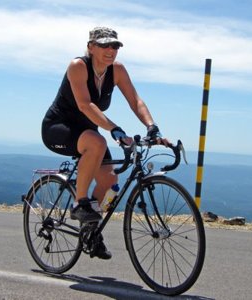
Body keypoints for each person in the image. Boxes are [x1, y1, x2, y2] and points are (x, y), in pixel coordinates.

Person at [42, 27, 165, 259]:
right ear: (91, 47)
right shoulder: (78, 66)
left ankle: (91, 232)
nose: (111, 50)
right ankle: (81, 203)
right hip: (59, 128)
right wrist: (115, 130)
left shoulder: (116, 70)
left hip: (90, 132)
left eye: (115, 46)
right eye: (105, 45)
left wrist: (151, 126)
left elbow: (135, 100)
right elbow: (84, 105)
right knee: (96, 142)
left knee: (110, 181)